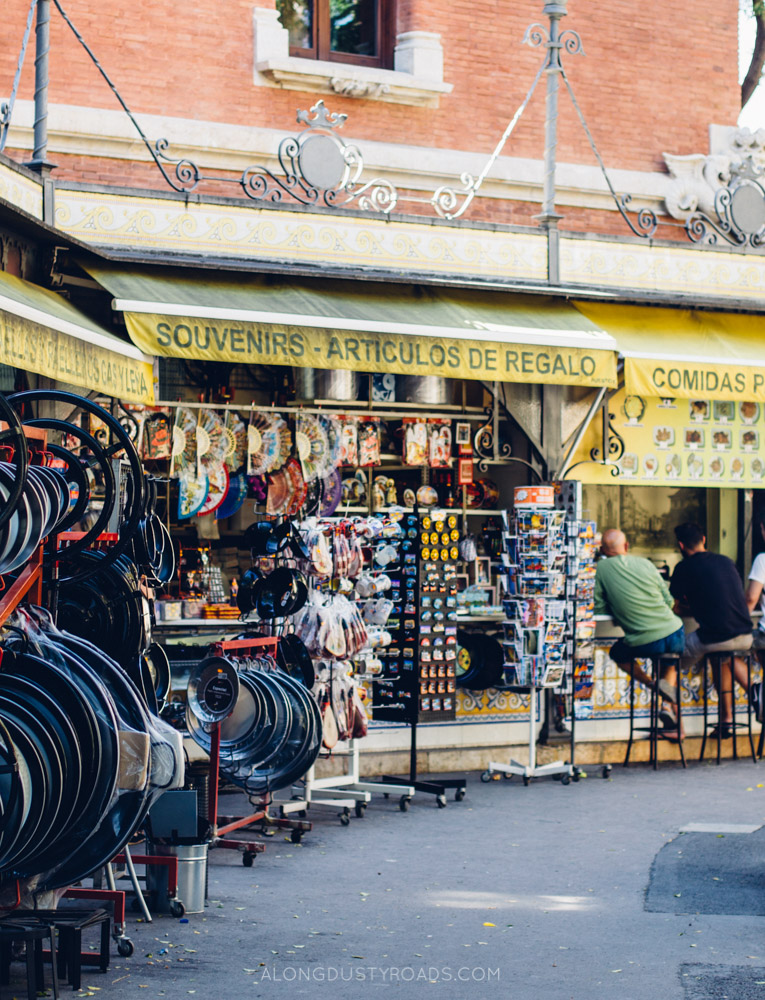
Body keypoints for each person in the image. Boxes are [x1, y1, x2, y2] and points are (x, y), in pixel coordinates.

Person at [594, 528, 685, 732]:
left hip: (644, 640)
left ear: (602, 550)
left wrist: (618, 606)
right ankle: (666, 705)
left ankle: (652, 684)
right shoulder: (645, 564)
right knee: (668, 662)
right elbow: (669, 601)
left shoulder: (601, 569)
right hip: (675, 631)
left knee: (618, 652)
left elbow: (598, 607)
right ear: (626, 547)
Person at [670, 522, 753, 738]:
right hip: (745, 634)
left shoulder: (684, 567)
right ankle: (730, 717)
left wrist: (692, 608)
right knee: (721, 657)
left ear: (680, 545)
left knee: (668, 663)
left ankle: (674, 726)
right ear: (704, 539)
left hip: (715, 636)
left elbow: (675, 606)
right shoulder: (725, 561)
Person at [744, 512, 765, 719]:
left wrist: (739, 623)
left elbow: (751, 598)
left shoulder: (762, 559)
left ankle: (757, 694)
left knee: (726, 654)